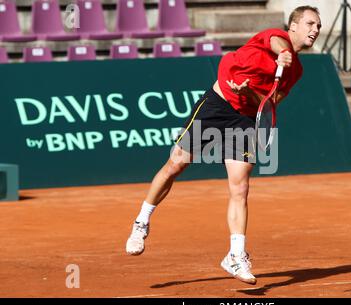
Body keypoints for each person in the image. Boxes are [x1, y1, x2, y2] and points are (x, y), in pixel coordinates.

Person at [125, 6, 322, 285]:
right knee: (176, 165)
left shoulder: (296, 72)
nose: (315, 30)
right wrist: (282, 53)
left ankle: (235, 254)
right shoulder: (275, 36)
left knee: (240, 187)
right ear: (292, 27)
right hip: (216, 105)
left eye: (318, 26)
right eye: (310, 23)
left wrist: (249, 91)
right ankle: (141, 223)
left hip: (243, 118)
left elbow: (269, 103)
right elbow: (276, 43)